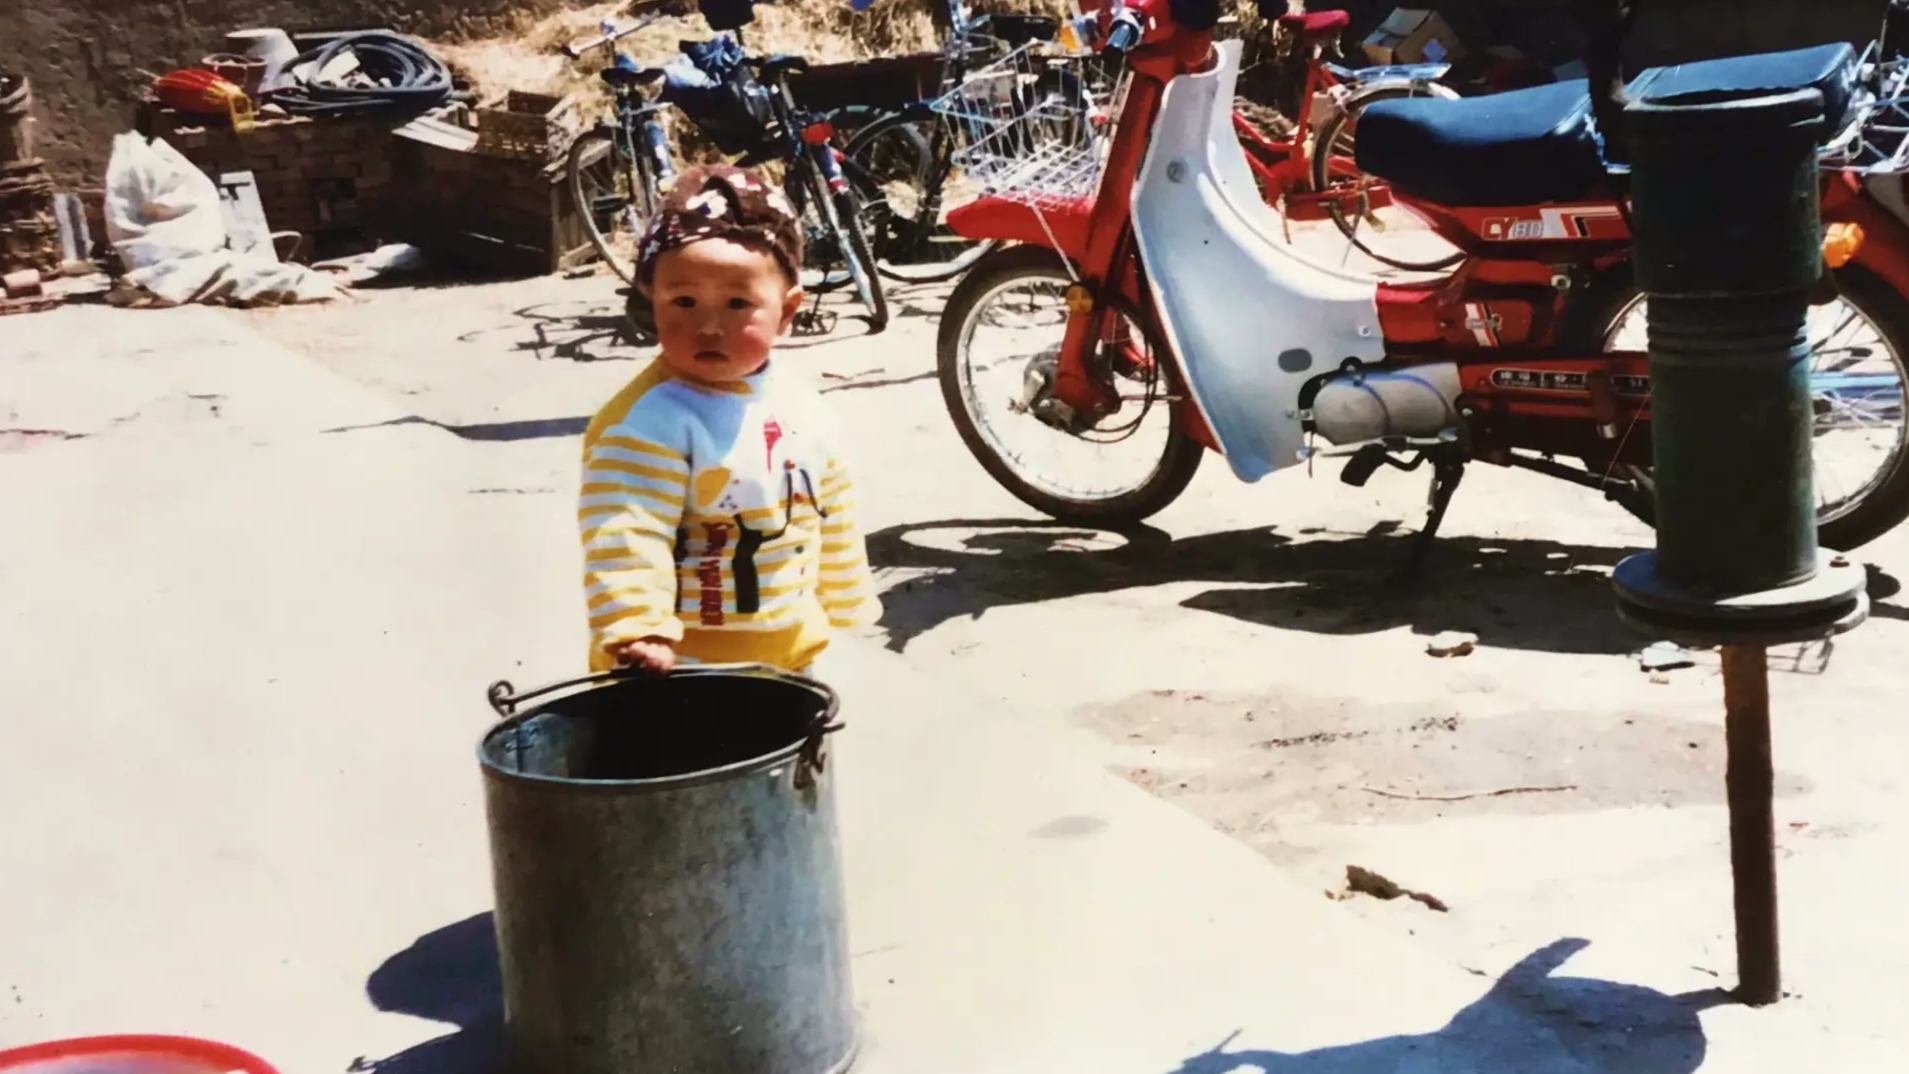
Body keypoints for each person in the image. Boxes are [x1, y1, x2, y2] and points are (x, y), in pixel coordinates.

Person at [577, 165, 879, 676]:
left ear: (786, 312)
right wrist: (638, 629)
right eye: (684, 301)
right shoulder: (648, 421)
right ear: (652, 300)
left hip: (789, 655)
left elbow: (828, 505)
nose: (709, 326)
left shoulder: (802, 405)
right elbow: (627, 530)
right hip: (678, 667)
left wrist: (845, 597)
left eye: (738, 303)